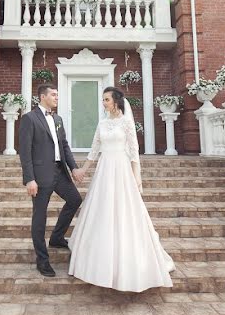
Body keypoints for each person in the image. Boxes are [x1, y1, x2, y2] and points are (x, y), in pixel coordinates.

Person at [70, 86, 174, 292]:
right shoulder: (102, 123)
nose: (103, 103)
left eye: (106, 99)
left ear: (116, 101)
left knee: (125, 211)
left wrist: (137, 177)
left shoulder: (126, 122)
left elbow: (134, 150)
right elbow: (94, 149)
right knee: (103, 211)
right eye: (103, 100)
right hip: (104, 170)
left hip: (122, 169)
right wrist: (83, 170)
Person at [17, 84, 83, 277]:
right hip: (40, 175)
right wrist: (29, 179)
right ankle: (42, 260)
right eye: (53, 95)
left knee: (75, 200)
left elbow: (64, 145)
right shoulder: (29, 119)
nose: (57, 97)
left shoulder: (58, 119)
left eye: (57, 94)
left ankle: (56, 237)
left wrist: (74, 168)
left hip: (59, 172)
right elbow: (25, 151)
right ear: (43, 96)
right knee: (40, 216)